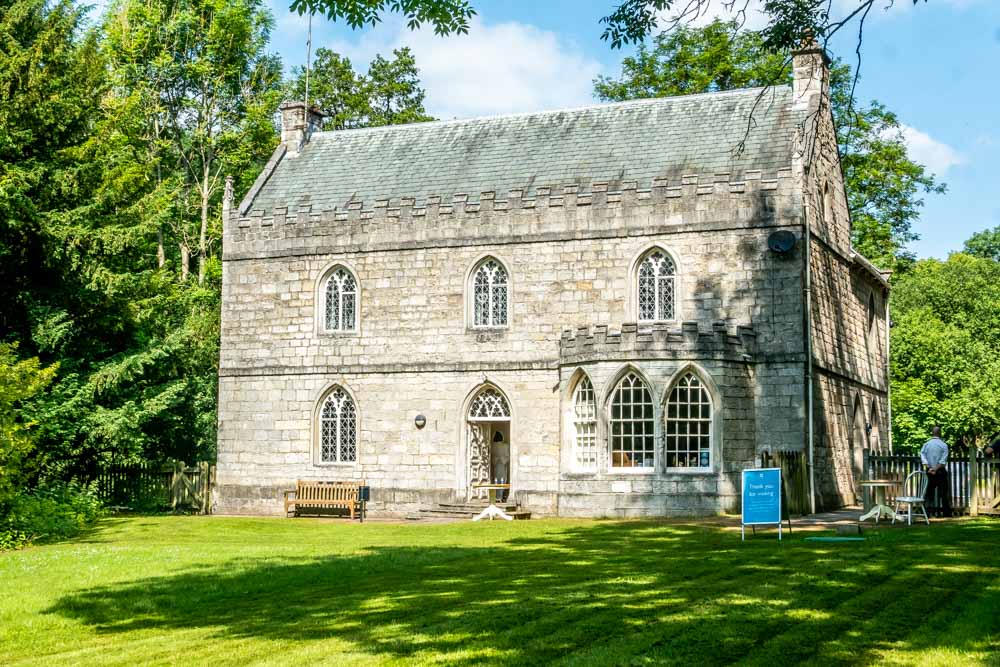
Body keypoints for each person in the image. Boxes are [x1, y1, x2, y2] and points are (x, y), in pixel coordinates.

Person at [920, 426, 952, 517]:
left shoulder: (926, 444)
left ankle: (927, 512)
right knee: (943, 493)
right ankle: (946, 513)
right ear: (940, 433)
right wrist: (936, 469)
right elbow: (943, 460)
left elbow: (922, 456)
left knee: (929, 493)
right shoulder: (943, 445)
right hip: (940, 471)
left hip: (929, 471)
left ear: (932, 433)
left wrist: (929, 467)